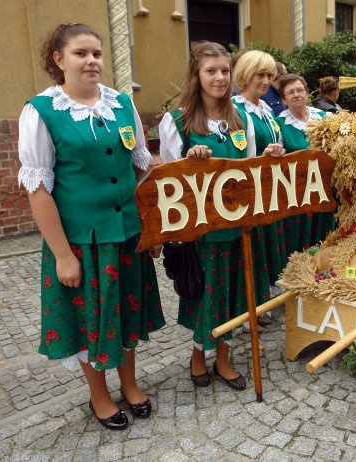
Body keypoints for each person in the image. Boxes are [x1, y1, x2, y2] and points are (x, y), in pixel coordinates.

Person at [17, 23, 165, 430]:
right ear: (58, 59)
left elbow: (142, 170)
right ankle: (99, 396)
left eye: (96, 53)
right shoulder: (42, 111)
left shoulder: (121, 105)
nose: (92, 60)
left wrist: (152, 228)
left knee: (127, 313)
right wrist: (63, 255)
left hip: (127, 234)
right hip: (84, 242)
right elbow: (39, 191)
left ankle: (130, 384)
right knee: (92, 322)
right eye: (81, 53)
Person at [159, 42, 272, 390]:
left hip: (237, 228)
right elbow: (168, 182)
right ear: (197, 75)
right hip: (202, 231)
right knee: (206, 296)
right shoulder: (176, 122)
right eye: (211, 71)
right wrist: (189, 162)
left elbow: (249, 173)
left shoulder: (242, 120)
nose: (220, 78)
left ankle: (223, 358)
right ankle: (197, 356)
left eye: (224, 70)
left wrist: (268, 157)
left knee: (234, 295)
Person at [232, 50, 287, 286]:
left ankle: (262, 298)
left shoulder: (265, 108)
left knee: (264, 244)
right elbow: (236, 152)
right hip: (247, 189)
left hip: (268, 188)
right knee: (249, 247)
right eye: (260, 75)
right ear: (246, 75)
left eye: (269, 75)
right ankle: (247, 309)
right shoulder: (234, 108)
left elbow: (278, 140)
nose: (265, 81)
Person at [276, 74, 336, 252]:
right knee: (299, 238)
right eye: (290, 92)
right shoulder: (279, 123)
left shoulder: (324, 118)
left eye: (300, 90)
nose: (296, 95)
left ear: (307, 93)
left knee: (325, 236)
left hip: (325, 187)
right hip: (296, 192)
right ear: (283, 99)